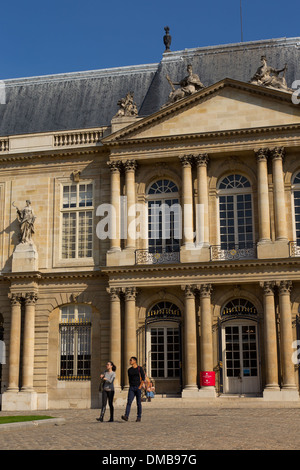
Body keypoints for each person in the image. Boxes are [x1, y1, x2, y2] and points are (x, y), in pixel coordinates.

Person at [121, 357, 145, 422]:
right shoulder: (129, 370)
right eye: (130, 360)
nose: (130, 361)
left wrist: (140, 386)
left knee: (138, 403)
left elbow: (143, 378)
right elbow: (130, 379)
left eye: (131, 360)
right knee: (129, 402)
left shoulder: (140, 368)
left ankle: (139, 417)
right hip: (131, 388)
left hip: (138, 387)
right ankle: (126, 416)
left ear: (135, 361)